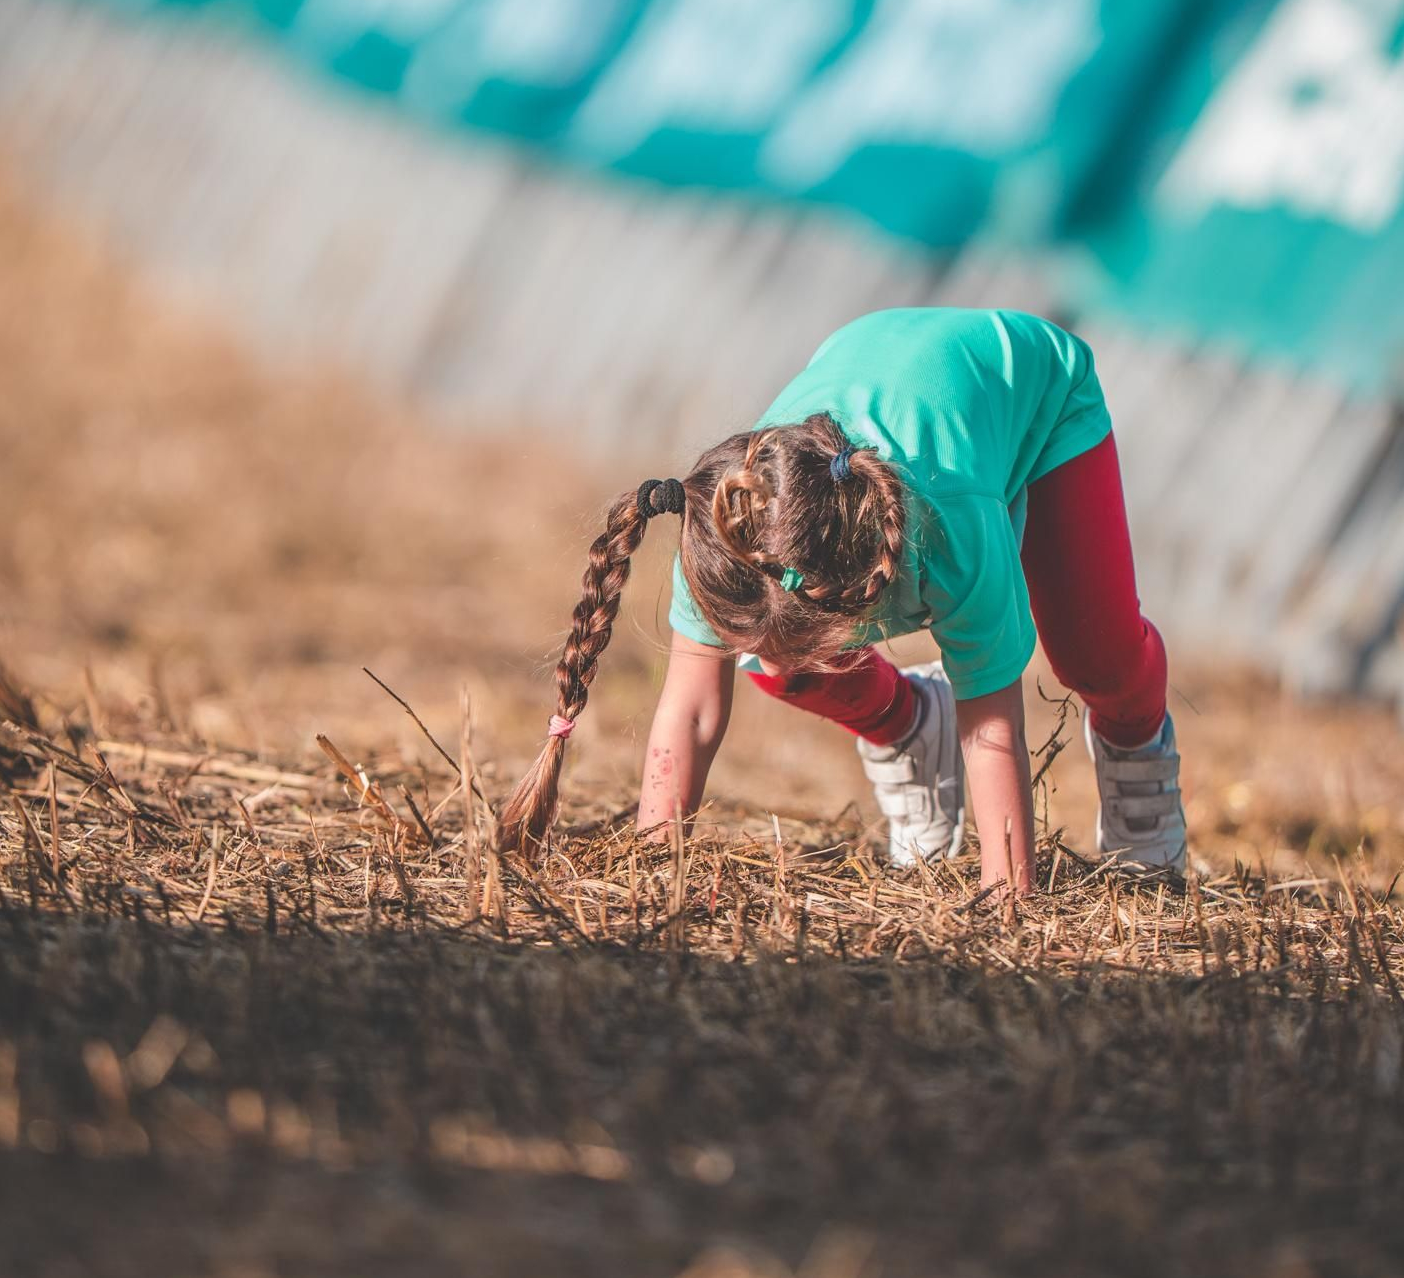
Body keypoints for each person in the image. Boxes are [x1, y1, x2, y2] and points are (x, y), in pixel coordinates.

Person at [500, 308, 1186, 890]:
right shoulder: (723, 526)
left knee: (1093, 655)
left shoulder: (953, 530)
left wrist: (1007, 900)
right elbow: (692, 710)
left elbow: (993, 727)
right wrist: (652, 866)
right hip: (882, 374)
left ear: (850, 597)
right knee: (775, 662)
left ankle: (1136, 746)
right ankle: (910, 725)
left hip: (1039, 397)